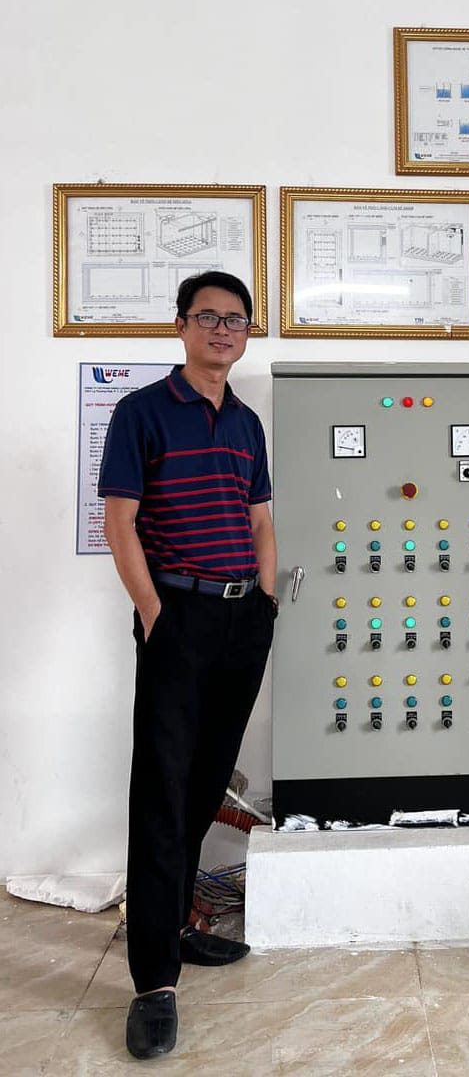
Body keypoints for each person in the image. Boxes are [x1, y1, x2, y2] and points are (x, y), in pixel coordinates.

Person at [98, 271, 277, 1059]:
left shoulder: (244, 422)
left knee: (206, 783)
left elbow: (260, 518)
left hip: (242, 620)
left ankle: (175, 926)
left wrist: (264, 602)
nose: (222, 329)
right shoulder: (142, 412)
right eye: (207, 316)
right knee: (163, 793)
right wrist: (152, 613)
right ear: (180, 326)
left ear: (245, 333)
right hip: (177, 614)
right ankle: (154, 982)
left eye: (235, 319)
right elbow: (120, 520)